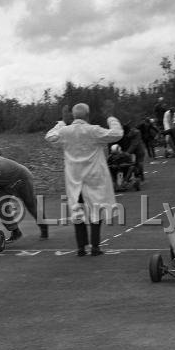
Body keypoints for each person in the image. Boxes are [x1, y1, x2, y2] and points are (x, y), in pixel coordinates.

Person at [45, 100, 123, 256]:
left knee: (77, 212)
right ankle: (95, 247)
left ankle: (81, 248)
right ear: (88, 116)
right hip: (94, 178)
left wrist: (62, 122)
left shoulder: (65, 132)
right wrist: (110, 117)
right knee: (96, 212)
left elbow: (49, 136)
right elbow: (117, 134)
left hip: (75, 179)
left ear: (73, 116)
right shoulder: (93, 130)